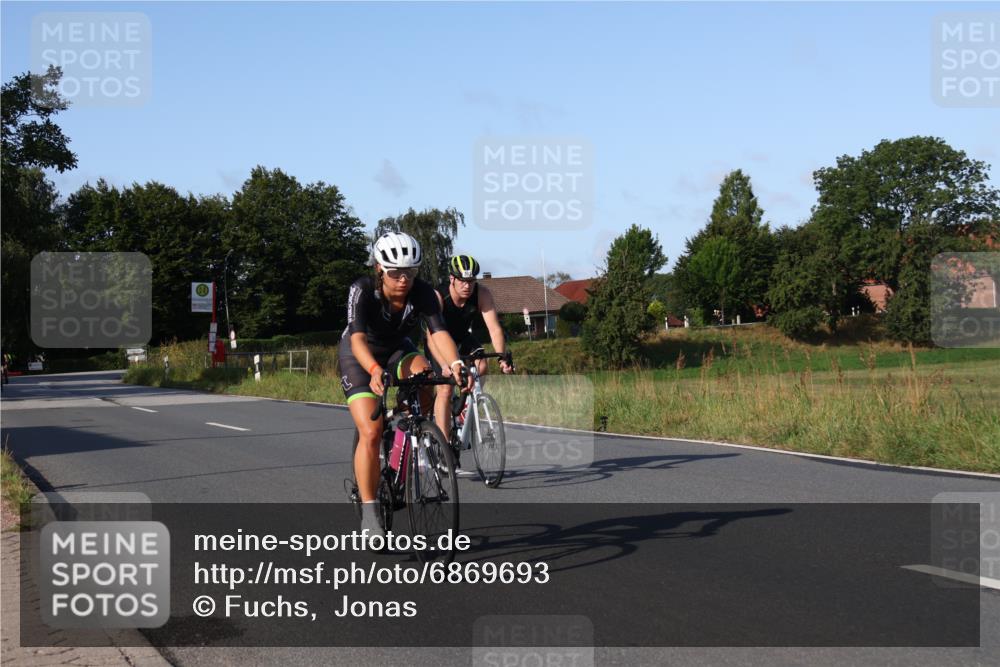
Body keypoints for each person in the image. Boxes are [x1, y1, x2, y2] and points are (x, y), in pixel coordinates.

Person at [340, 232, 470, 538]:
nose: (403, 280)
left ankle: (403, 428)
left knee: (426, 379)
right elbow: (357, 338)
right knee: (370, 432)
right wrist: (373, 369)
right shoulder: (362, 289)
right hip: (360, 355)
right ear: (380, 270)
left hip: (399, 349)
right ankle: (370, 510)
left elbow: (438, 332)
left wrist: (455, 364)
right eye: (396, 273)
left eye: (410, 273)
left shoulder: (422, 292)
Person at [424, 254, 513, 475]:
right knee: (445, 387)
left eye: (471, 281)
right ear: (452, 279)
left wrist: (502, 356)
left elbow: (494, 328)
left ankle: (466, 407)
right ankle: (444, 448)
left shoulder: (481, 293)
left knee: (482, 366)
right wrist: (445, 363)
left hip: (463, 338)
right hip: (438, 340)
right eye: (462, 281)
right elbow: (430, 335)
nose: (467, 285)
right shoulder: (438, 296)